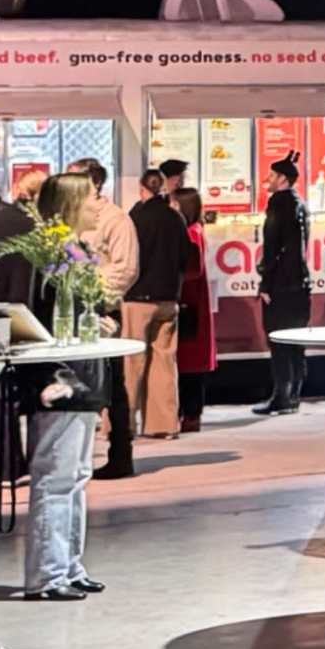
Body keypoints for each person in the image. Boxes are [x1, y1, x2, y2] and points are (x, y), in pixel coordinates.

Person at [0, 176, 106, 600]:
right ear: (70, 203)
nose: (98, 204)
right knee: (55, 478)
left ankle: (69, 567)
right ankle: (47, 576)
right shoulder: (44, 255)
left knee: (76, 477)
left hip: (85, 380)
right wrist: (48, 379)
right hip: (60, 381)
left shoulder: (73, 251)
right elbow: (31, 323)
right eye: (91, 197)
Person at [71, 157, 138, 478]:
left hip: (102, 312)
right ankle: (77, 454)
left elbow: (125, 268)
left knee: (112, 383)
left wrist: (94, 295)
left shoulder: (116, 219)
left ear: (93, 182)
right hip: (72, 313)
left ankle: (121, 453)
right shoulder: (69, 217)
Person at [121, 166, 192, 442]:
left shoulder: (135, 217)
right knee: (164, 362)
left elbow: (129, 258)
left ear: (142, 189)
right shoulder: (176, 218)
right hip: (169, 299)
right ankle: (163, 425)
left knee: (131, 363)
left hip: (138, 299)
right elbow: (186, 258)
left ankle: (123, 424)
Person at [257, 153, 314, 414]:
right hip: (300, 283)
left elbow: (272, 248)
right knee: (296, 342)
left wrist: (266, 283)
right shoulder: (300, 204)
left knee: (278, 340)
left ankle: (281, 396)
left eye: (270, 176)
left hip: (281, 285)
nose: (266, 180)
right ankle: (294, 396)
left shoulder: (277, 203)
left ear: (282, 178)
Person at [173, 179, 216, 430]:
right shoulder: (193, 230)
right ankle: (189, 414)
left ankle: (191, 415)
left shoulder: (191, 233)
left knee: (190, 364)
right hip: (193, 301)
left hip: (191, 303)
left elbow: (194, 269)